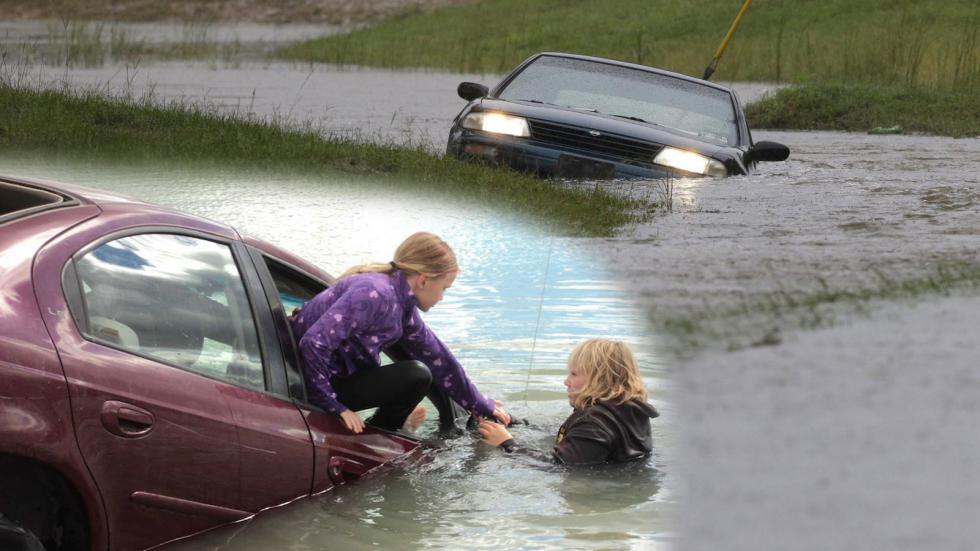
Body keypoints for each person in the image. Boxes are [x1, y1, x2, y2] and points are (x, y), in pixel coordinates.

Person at [291, 231, 511, 434]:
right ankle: (380, 435)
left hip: (328, 378)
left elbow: (439, 358)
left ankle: (391, 430)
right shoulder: (375, 293)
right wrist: (334, 406)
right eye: (444, 288)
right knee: (416, 375)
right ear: (424, 280)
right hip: (308, 382)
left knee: (417, 373)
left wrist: (480, 404)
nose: (442, 297)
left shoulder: (400, 303)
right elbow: (314, 343)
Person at [478, 338, 657, 465]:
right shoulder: (627, 409)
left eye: (574, 374)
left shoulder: (593, 422)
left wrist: (507, 444)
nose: (566, 381)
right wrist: (516, 422)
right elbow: (575, 439)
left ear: (599, 379)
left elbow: (557, 465)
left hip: (595, 492)